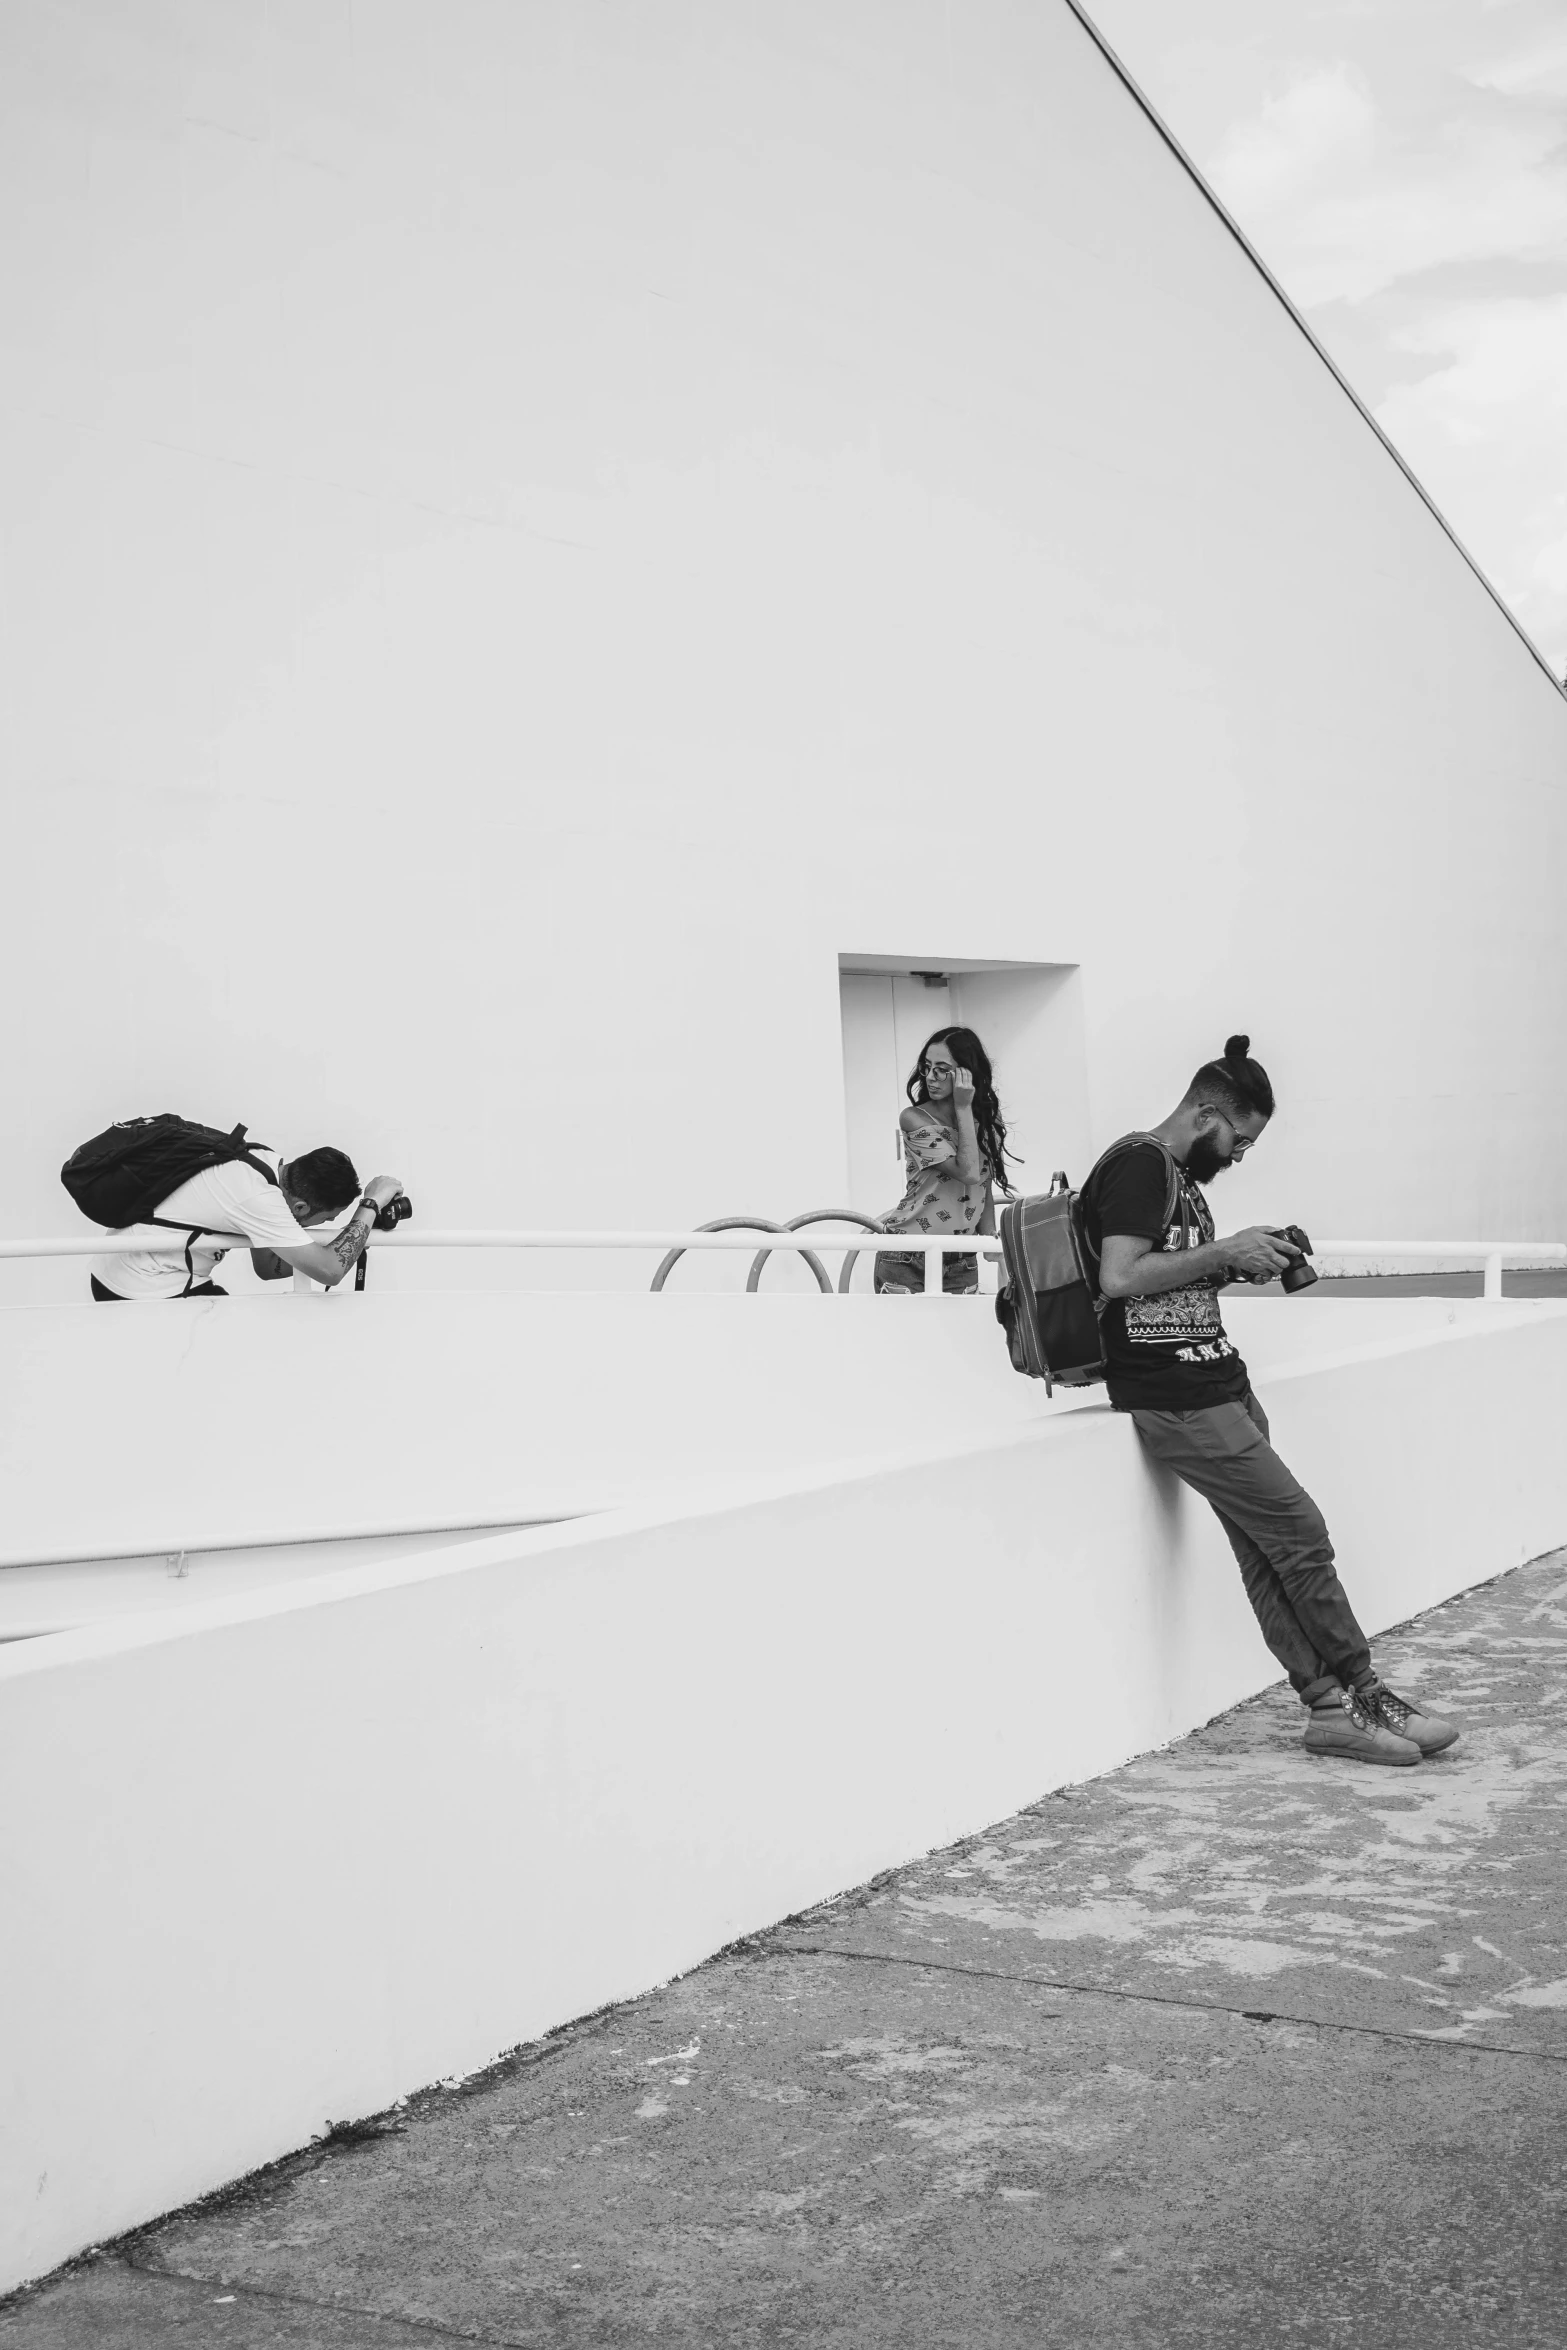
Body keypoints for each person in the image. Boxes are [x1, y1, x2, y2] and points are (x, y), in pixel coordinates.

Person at [1080, 1034, 1459, 1768]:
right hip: (1176, 1399)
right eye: (1238, 1143)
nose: (1234, 1157)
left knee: (1266, 1552)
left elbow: (1169, 1278)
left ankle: (1326, 1713)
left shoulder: (1177, 1179)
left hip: (1218, 1382)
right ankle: (1368, 1695)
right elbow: (1121, 1277)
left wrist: (1243, 1261)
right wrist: (1223, 1252)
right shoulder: (1137, 1164)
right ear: (1207, 1115)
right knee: (1301, 1533)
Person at [90, 1143, 406, 1301]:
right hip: (143, 1286)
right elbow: (330, 1270)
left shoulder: (263, 1164)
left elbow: (267, 1267)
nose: (329, 1225)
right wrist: (369, 1206)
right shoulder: (258, 1200)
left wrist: (340, 1237)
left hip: (127, 1270)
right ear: (299, 1205)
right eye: (326, 1220)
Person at [874, 1026, 1015, 1296]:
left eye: (942, 1069)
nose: (930, 1077)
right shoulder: (914, 1118)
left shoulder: (986, 1122)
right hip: (908, 1256)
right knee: (902, 1339)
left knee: (957, 1339)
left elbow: (982, 1182)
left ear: (967, 1072)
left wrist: (990, 1240)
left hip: (961, 1259)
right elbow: (968, 1171)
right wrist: (963, 1107)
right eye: (927, 1067)